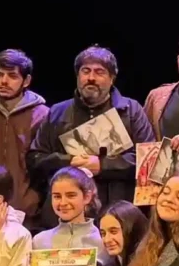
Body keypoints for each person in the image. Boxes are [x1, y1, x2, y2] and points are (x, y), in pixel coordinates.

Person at [27, 45, 156, 212]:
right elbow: (35, 159)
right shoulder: (57, 112)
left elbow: (149, 160)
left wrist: (103, 165)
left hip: (119, 212)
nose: (91, 78)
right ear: (77, 76)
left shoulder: (131, 110)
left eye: (99, 72)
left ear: (112, 78)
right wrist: (69, 161)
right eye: (85, 71)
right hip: (68, 212)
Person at [0, 49, 50, 230]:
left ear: (26, 81)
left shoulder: (44, 116)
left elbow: (48, 168)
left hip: (31, 215)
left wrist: (34, 202)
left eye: (12, 76)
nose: (4, 81)